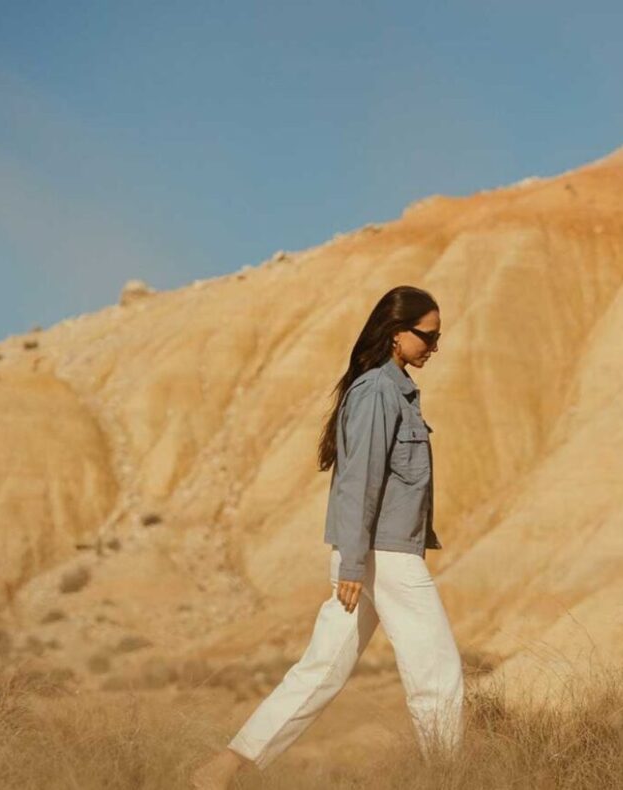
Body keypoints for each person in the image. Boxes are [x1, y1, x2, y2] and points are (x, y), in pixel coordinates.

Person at [190, 285, 464, 789]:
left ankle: (223, 769)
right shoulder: (379, 392)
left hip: (373, 557)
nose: (435, 345)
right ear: (396, 332)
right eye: (428, 335)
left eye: (438, 335)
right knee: (438, 675)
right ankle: (449, 780)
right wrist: (356, 565)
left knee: (320, 672)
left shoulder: (392, 389)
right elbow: (360, 482)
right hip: (385, 560)